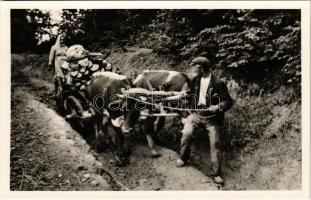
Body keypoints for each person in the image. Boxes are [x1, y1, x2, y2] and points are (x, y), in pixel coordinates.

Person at [176, 56, 233, 185]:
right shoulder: (194, 80)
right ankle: (184, 158)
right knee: (187, 133)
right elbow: (189, 94)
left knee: (215, 143)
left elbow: (228, 101)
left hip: (212, 119)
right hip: (196, 115)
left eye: (195, 67)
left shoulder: (218, 83)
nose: (193, 69)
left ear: (202, 68)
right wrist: (185, 97)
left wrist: (218, 107)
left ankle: (217, 173)